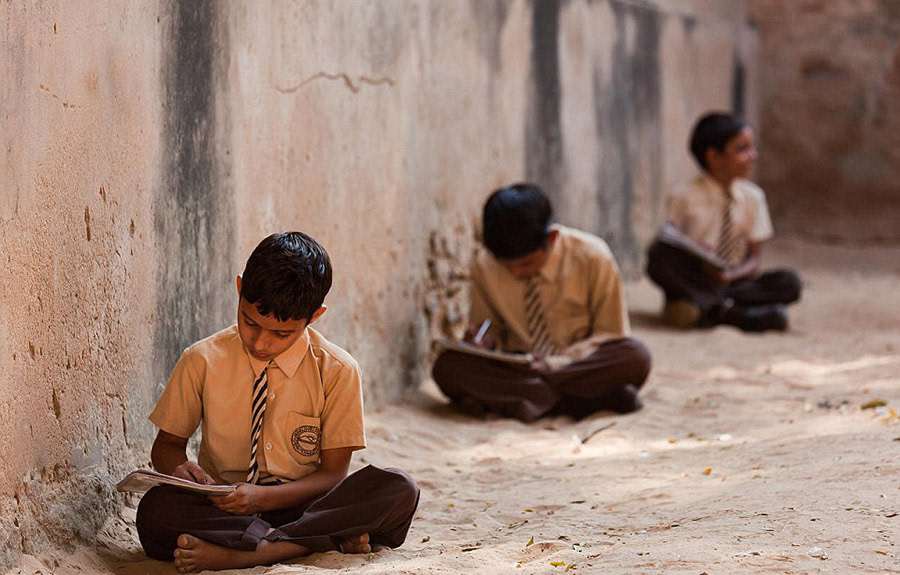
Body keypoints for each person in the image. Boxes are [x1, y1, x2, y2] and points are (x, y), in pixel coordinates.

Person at [136, 232, 419, 573]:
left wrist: (262, 499)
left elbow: (332, 475)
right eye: (249, 322)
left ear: (315, 316)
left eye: (281, 334)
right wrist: (179, 469)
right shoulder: (202, 360)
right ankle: (313, 541)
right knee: (154, 511)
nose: (260, 342)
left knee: (400, 488)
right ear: (240, 289)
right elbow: (166, 446)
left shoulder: (338, 370)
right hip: (223, 508)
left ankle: (253, 554)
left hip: (304, 503)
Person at [432, 183, 652, 423]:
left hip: (574, 367)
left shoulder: (593, 257)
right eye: (507, 266)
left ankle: (529, 400)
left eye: (526, 263)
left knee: (635, 356)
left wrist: (552, 365)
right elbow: (490, 328)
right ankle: (580, 403)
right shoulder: (484, 266)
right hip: (520, 368)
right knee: (448, 367)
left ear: (552, 238)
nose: (516, 273)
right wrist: (485, 341)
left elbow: (611, 335)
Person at [646, 112, 802, 331]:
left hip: (733, 282)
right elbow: (673, 246)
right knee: (658, 256)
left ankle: (712, 309)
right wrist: (700, 255)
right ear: (714, 157)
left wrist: (729, 275)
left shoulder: (753, 197)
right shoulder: (684, 196)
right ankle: (738, 314)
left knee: (789, 282)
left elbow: (754, 259)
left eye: (752, 147)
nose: (752, 156)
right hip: (696, 277)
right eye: (742, 149)